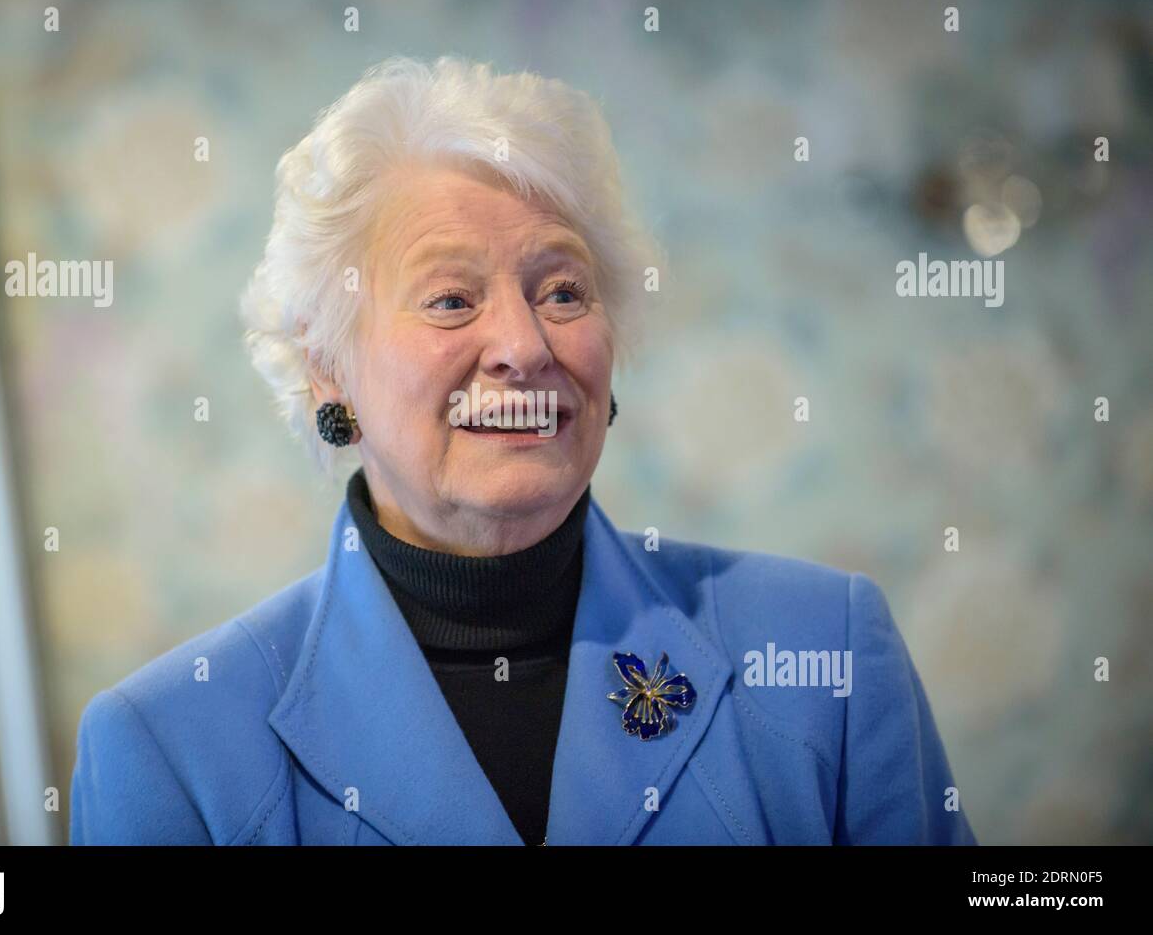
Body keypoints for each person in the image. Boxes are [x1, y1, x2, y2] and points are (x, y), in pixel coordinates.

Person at [70, 55, 976, 846]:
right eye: (452, 299)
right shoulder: (168, 748)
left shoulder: (827, 649)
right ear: (327, 371)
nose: (526, 344)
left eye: (563, 290)